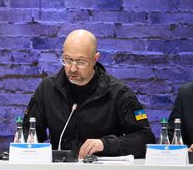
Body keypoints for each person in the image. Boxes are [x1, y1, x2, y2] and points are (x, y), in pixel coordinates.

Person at [23, 29, 155, 158]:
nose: (73, 68)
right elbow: (27, 133)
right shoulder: (47, 89)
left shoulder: (119, 93)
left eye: (81, 62)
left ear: (95, 59)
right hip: (60, 168)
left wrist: (106, 145)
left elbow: (145, 138)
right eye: (67, 60)